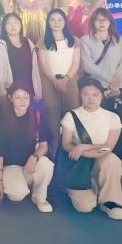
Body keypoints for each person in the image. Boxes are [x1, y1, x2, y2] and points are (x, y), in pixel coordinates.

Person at [60, 78, 122, 220]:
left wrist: (82, 148)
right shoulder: (71, 116)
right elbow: (66, 145)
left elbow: (107, 148)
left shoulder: (112, 117)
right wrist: (83, 150)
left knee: (111, 160)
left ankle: (111, 202)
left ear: (102, 96)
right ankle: (79, 188)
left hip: (98, 160)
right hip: (78, 166)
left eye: (95, 95)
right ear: (80, 95)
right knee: (85, 208)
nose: (91, 98)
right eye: (86, 94)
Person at [0, 83, 54, 213]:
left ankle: (40, 197)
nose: (22, 101)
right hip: (11, 166)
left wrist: (34, 157)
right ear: (10, 98)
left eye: (25, 97)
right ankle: (20, 185)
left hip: (29, 165)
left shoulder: (37, 115)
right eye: (18, 97)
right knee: (17, 195)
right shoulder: (4, 117)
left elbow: (44, 146)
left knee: (46, 164)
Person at [79, 8, 122, 152]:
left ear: (110, 22)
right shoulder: (85, 40)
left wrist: (115, 82)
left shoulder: (120, 40)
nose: (101, 22)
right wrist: (110, 79)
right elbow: (87, 65)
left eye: (105, 19)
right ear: (92, 22)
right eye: (98, 19)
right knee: (96, 125)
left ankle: (116, 159)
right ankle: (97, 158)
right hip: (96, 89)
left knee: (117, 125)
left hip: (119, 88)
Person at [37, 8, 81, 147]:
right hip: (50, 82)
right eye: (53, 20)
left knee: (73, 113)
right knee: (52, 115)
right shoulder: (43, 40)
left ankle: (74, 147)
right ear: (48, 22)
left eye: (60, 20)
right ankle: (54, 150)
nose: (56, 23)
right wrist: (55, 81)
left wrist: (65, 79)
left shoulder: (74, 40)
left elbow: (75, 63)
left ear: (65, 22)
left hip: (70, 81)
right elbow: (43, 64)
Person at [0, 13, 41, 118]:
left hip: (28, 90)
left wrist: (37, 90)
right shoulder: (0, 45)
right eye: (9, 23)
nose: (13, 26)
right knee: (11, 121)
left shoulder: (28, 42)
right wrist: (2, 93)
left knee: (29, 121)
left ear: (21, 25)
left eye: (15, 22)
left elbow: (35, 68)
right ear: (4, 27)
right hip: (10, 92)